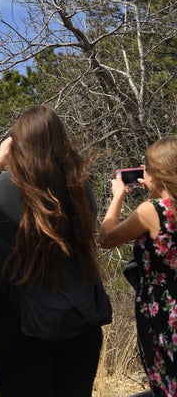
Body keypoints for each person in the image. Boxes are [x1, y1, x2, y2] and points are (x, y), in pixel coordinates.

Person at [0, 105, 110, 397]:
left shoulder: (2, 190)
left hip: (19, 327)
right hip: (80, 322)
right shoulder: (81, 186)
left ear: (17, 145)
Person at [99, 136, 177, 396]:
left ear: (157, 173)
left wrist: (117, 197)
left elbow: (106, 238)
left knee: (167, 382)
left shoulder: (151, 211)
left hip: (162, 310)